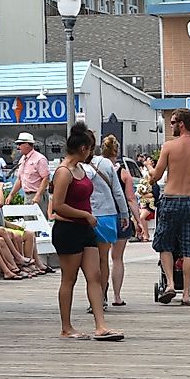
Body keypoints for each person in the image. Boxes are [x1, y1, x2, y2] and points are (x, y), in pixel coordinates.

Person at [50, 122, 123, 341]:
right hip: (69, 229)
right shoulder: (63, 172)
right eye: (90, 148)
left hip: (86, 229)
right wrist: (85, 215)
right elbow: (58, 205)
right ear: (83, 148)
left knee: (95, 275)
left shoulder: (82, 169)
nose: (91, 153)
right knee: (69, 278)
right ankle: (66, 327)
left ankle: (100, 325)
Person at [150, 110, 190, 304]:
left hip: (170, 199)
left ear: (182, 124)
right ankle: (186, 294)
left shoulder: (169, 146)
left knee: (165, 244)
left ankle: (170, 284)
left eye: (173, 122)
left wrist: (149, 169)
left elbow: (156, 176)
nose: (171, 126)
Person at [86, 133, 124, 311]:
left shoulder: (76, 165)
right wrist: (124, 214)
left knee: (88, 261)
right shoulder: (107, 164)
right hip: (107, 214)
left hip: (84, 215)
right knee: (103, 259)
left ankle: (94, 296)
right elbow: (118, 191)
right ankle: (101, 295)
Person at [102, 136, 137, 306]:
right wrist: (137, 220)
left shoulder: (94, 168)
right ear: (117, 152)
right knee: (117, 258)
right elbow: (130, 198)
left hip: (102, 216)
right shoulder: (123, 172)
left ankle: (100, 294)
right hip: (120, 217)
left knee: (101, 258)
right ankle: (117, 296)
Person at [8, 132, 50, 210]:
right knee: (28, 220)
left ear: (27, 144)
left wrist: (38, 195)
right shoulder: (22, 159)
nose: (18, 147)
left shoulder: (40, 159)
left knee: (39, 220)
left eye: (20, 144)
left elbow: (46, 178)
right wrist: (11, 195)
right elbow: (20, 180)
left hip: (38, 195)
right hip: (27, 196)